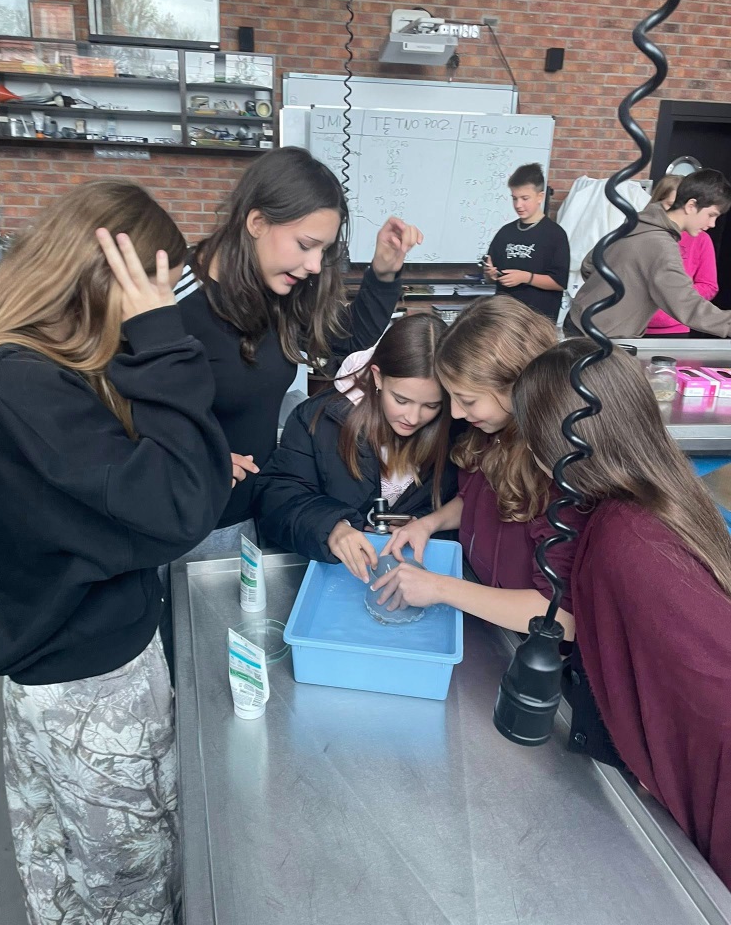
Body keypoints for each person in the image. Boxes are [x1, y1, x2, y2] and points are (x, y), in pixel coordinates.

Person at [0, 180, 234, 923]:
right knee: (128, 889)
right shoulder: (28, 386)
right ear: (110, 279)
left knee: (57, 871)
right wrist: (162, 339)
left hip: (49, 675)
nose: (165, 303)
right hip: (91, 687)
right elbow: (181, 507)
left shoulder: (15, 369)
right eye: (158, 287)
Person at [512, 339, 731, 888]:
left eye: (532, 438)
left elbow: (712, 698)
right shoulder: (654, 494)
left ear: (561, 445)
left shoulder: (629, 541)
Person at [169, 146, 422, 567]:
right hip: (180, 523)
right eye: (306, 245)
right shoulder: (173, 296)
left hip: (247, 514)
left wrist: (384, 273)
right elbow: (112, 416)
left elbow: (346, 343)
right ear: (256, 222)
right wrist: (188, 458)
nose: (314, 265)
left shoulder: (276, 293)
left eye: (323, 251)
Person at [374, 296, 586, 635]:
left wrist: (440, 588)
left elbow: (563, 618)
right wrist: (428, 524)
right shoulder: (492, 432)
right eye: (451, 398)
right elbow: (472, 499)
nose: (456, 413)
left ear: (517, 387)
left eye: (467, 400)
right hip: (484, 610)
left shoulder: (554, 468)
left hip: (525, 641)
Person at [254, 312, 457, 582]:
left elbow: (466, 507)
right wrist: (332, 526)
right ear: (378, 377)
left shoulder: (457, 427)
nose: (413, 417)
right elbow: (276, 497)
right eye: (401, 400)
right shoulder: (318, 419)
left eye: (431, 405)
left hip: (413, 576)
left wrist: (422, 523)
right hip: (328, 575)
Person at [567, 168, 731, 338]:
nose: (712, 223)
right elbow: (685, 304)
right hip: (598, 337)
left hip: (578, 319)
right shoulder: (661, 245)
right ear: (691, 206)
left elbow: (589, 264)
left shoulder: (636, 224)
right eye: (711, 215)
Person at [483, 162, 570, 323]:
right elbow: (491, 276)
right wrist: (490, 274)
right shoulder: (505, 232)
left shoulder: (555, 235)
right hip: (505, 318)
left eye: (525, 198)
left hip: (538, 321)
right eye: (514, 198)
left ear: (540, 197)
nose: (518, 205)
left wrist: (526, 277)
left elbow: (559, 283)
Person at [644, 174, 719, 336]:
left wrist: (675, 294)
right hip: (635, 327)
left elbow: (709, 286)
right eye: (670, 205)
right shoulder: (642, 232)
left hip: (676, 328)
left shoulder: (701, 239)